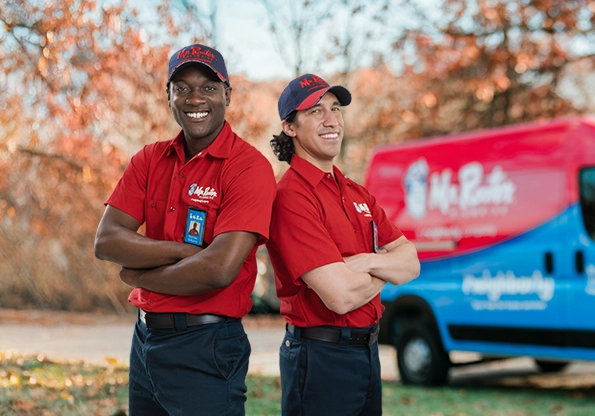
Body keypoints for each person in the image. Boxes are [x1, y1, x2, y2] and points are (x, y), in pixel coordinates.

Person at [94, 44, 276, 416]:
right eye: (183, 87)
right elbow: (107, 240)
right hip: (145, 341)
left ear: (227, 94)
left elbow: (218, 269)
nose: (195, 98)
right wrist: (180, 251)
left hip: (206, 347)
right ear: (169, 95)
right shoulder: (149, 159)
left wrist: (137, 275)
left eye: (208, 87)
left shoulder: (248, 167)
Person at [266, 74, 420, 416]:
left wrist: (366, 262)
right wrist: (385, 266)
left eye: (336, 109)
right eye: (316, 111)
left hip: (367, 353)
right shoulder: (290, 197)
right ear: (289, 127)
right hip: (320, 360)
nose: (331, 119)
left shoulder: (356, 192)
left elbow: (411, 263)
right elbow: (341, 297)